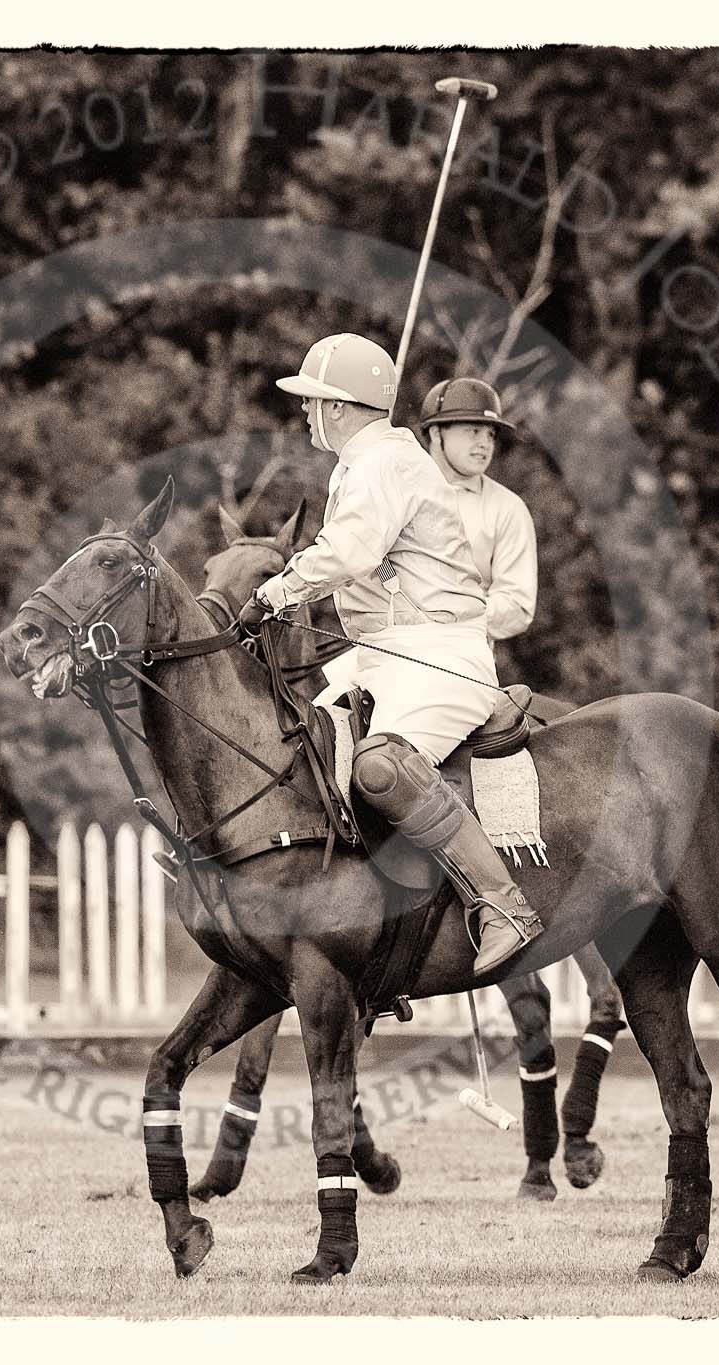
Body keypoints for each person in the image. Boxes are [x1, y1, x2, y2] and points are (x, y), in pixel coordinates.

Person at [235, 333, 541, 975]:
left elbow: (349, 553)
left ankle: (501, 903)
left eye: (311, 400)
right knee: (299, 747)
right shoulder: (361, 463)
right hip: (382, 655)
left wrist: (275, 591)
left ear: (338, 406)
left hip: (439, 655)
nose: (305, 411)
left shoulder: (385, 463)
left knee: (381, 767)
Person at [417, 377, 536, 642]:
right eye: (473, 431)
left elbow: (517, 605)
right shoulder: (397, 492)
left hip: (462, 652)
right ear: (436, 433)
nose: (485, 443)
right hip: (386, 644)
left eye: (490, 434)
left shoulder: (508, 508)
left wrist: (451, 617)